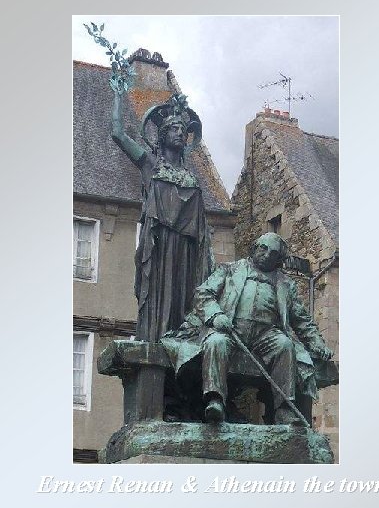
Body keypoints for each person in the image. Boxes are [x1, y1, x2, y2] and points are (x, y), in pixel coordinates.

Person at [161, 233, 333, 424]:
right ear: (254, 248)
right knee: (216, 342)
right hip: (231, 329)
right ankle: (215, 400)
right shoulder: (230, 270)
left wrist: (317, 343)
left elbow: (302, 320)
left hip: (266, 334)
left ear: (279, 259)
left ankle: (284, 409)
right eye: (263, 248)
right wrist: (216, 315)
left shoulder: (285, 284)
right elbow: (203, 294)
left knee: (285, 345)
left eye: (273, 253)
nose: (267, 254)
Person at [111, 90, 213, 343]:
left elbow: (202, 227)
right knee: (159, 300)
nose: (180, 133)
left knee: (184, 300)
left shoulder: (192, 178)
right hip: (160, 245)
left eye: (183, 130)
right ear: (162, 135)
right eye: (174, 129)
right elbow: (118, 134)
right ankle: (155, 342)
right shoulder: (150, 164)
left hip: (188, 251)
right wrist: (117, 95)